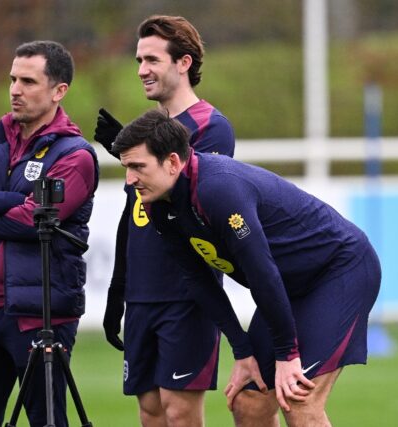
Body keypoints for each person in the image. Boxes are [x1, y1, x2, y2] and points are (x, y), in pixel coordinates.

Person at [112, 109, 381, 427]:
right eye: (127, 167)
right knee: (249, 401)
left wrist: (287, 354)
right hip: (287, 288)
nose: (130, 179)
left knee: (297, 398)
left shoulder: (218, 190)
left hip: (339, 271)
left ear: (172, 162)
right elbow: (198, 280)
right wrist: (242, 350)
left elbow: (262, 273)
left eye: (137, 167)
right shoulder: (160, 206)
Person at [0, 41, 98, 427]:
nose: (15, 89)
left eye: (28, 81)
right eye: (13, 79)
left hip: (40, 316)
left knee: (47, 422)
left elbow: (33, 223)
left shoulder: (74, 155)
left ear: (59, 91)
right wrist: (9, 199)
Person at [94, 15, 236, 427]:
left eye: (152, 59)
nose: (142, 70)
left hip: (186, 292)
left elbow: (193, 209)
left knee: (179, 411)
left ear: (184, 63)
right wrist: (118, 289)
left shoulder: (211, 128)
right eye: (139, 59)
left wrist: (144, 158)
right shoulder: (147, 133)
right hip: (143, 291)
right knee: (151, 412)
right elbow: (133, 215)